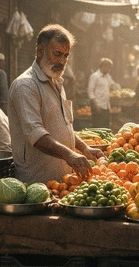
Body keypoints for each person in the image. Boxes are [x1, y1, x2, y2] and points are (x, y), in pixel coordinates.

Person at [8, 23, 104, 184]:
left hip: (62, 180)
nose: (62, 61)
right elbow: (36, 135)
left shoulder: (55, 81)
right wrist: (69, 155)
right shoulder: (26, 86)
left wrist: (83, 148)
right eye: (57, 54)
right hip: (37, 182)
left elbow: (63, 126)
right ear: (40, 51)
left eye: (66, 56)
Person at [87, 57, 119, 128]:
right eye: (108, 68)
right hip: (98, 106)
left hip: (106, 106)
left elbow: (113, 85)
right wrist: (96, 105)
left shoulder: (107, 76)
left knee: (106, 127)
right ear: (103, 66)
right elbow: (90, 92)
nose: (109, 70)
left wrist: (118, 87)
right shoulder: (94, 76)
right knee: (98, 127)